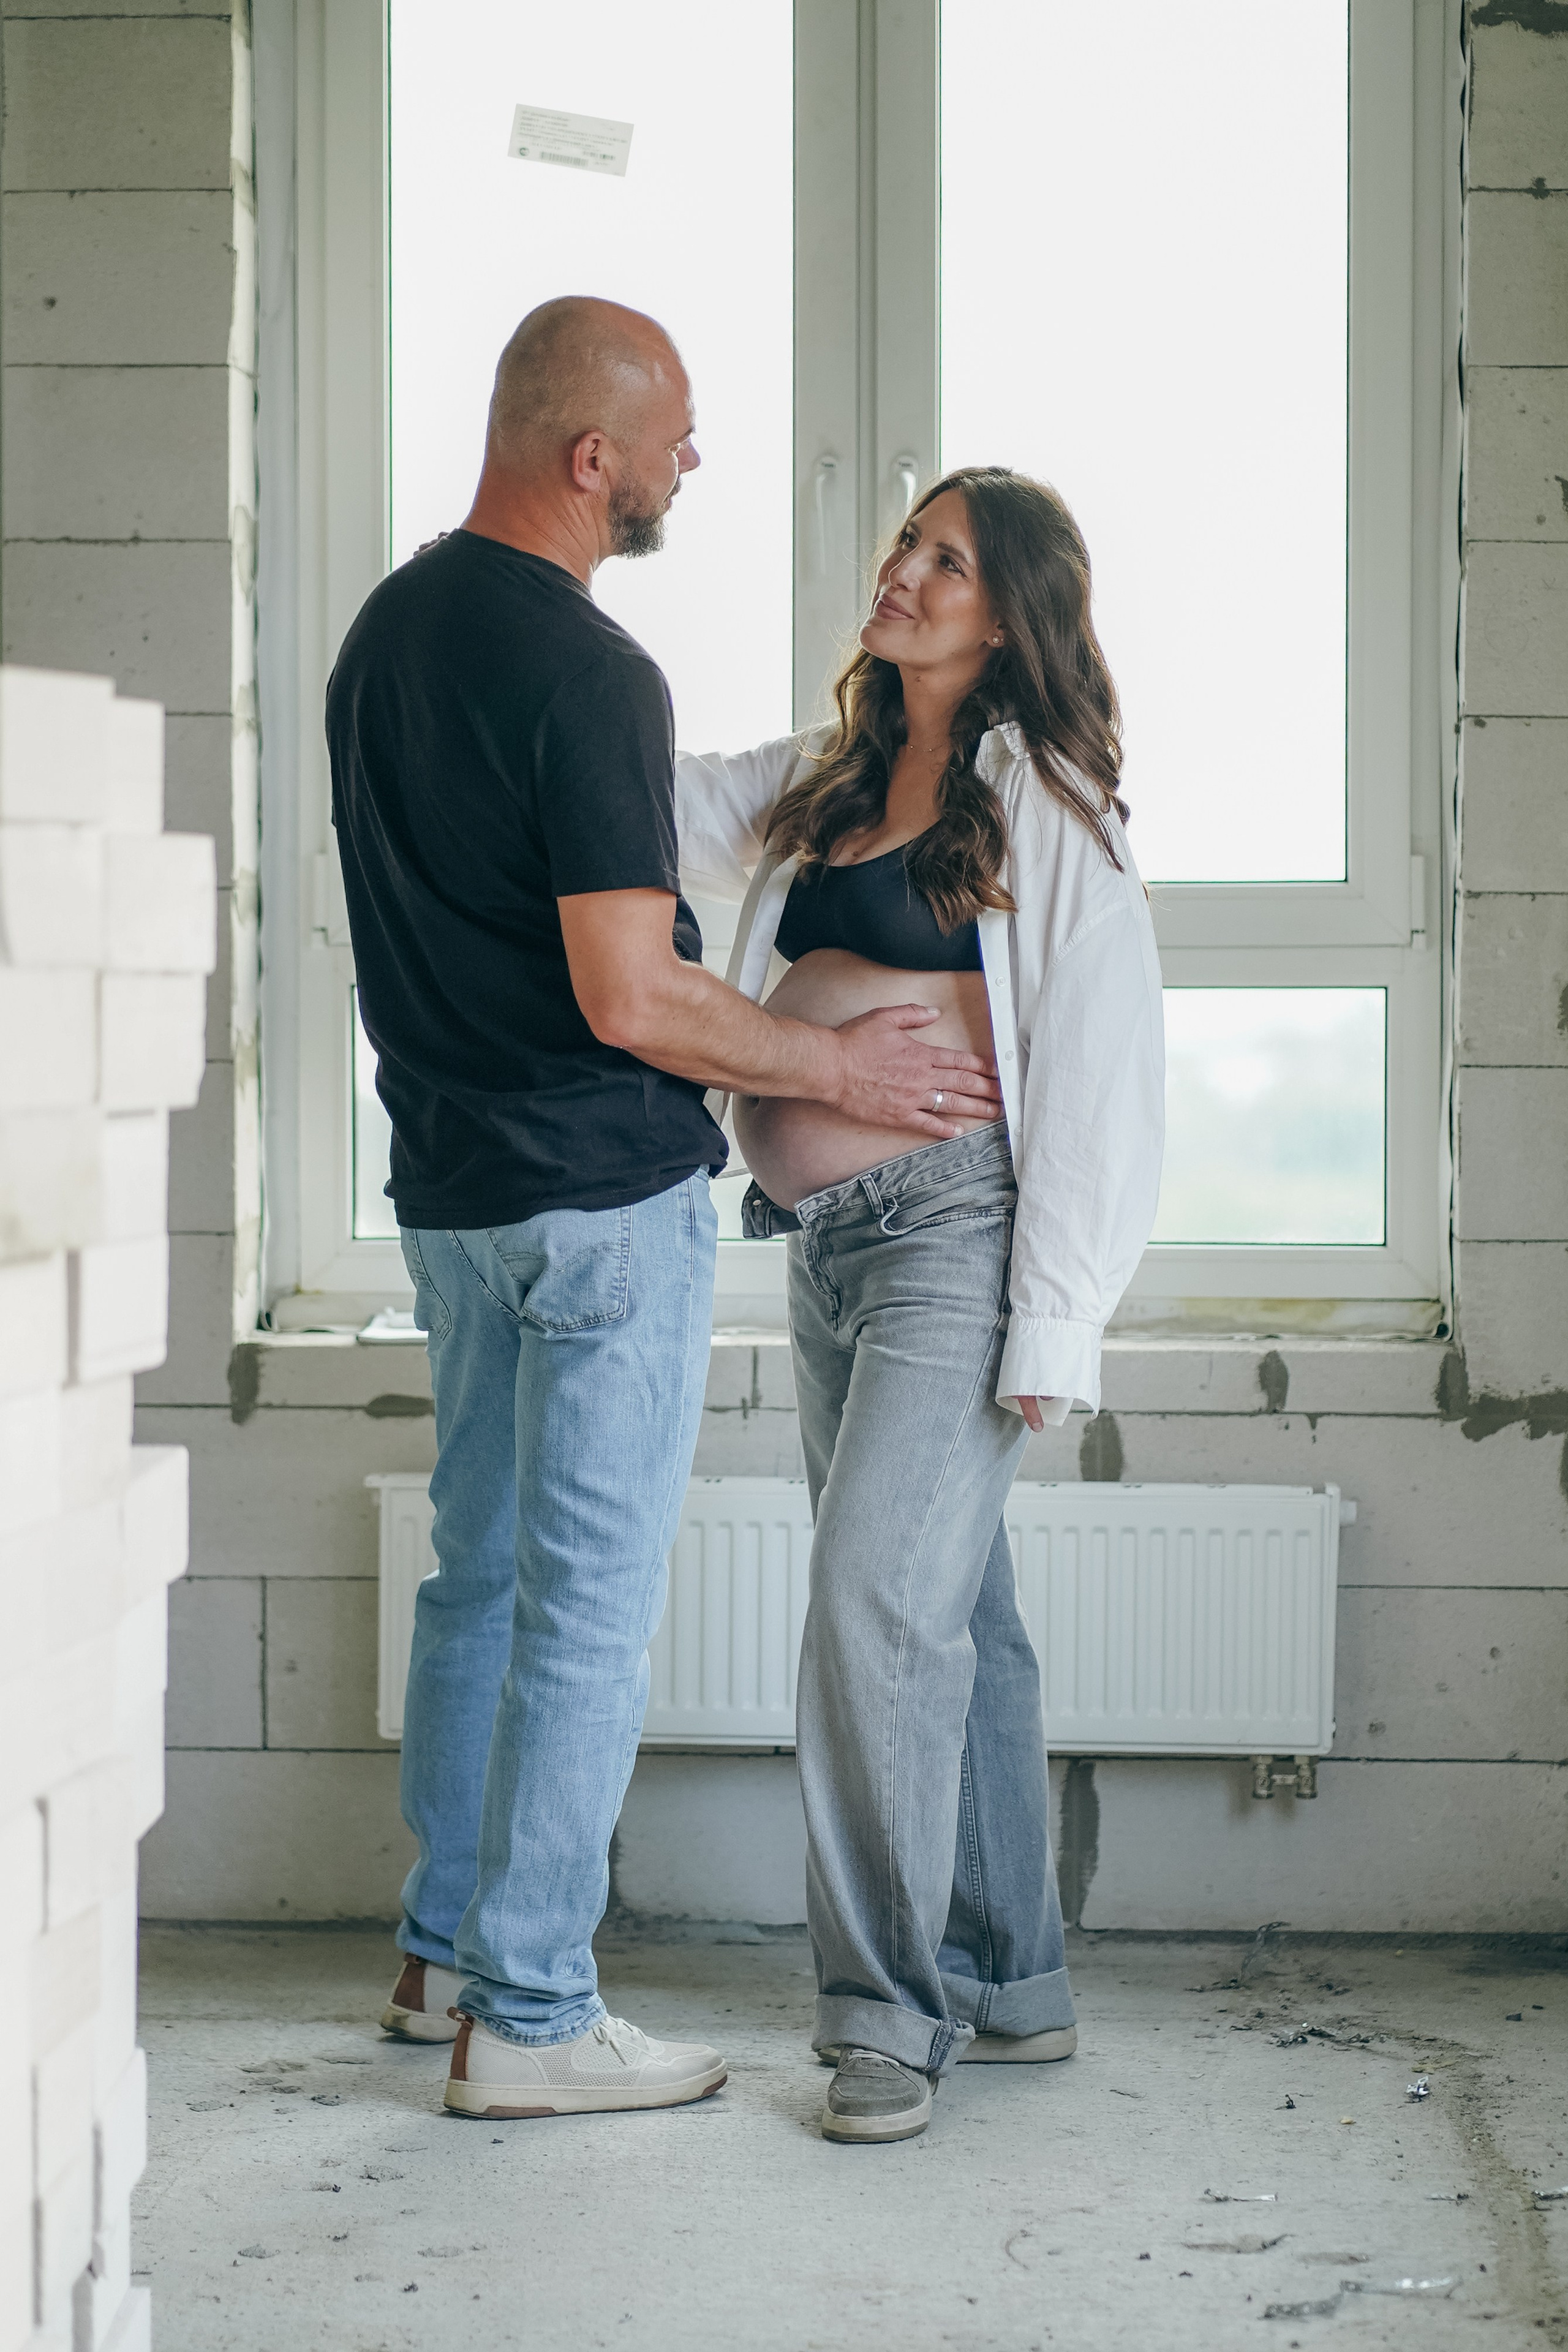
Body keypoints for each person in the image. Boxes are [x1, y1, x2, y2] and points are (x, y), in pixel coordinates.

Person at [325, 300, 1003, 2122]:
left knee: (479, 1580)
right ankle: (533, 2023)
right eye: (678, 434)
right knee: (589, 1614)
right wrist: (833, 1066)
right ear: (590, 457)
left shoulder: (386, 638)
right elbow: (628, 992)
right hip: (599, 1207)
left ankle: (443, 1956)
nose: (695, 460)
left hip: (454, 1199)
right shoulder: (589, 671)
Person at [675, 467, 1165, 2143]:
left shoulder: (1044, 795)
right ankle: (1014, 1971)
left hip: (961, 1231)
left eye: (947, 560)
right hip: (825, 1244)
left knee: (876, 1602)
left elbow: (1102, 1066)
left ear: (1010, 609)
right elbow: (631, 802)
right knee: (961, 1615)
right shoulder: (818, 782)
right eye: (905, 545)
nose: (906, 573)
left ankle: (889, 2013)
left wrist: (1057, 1325)